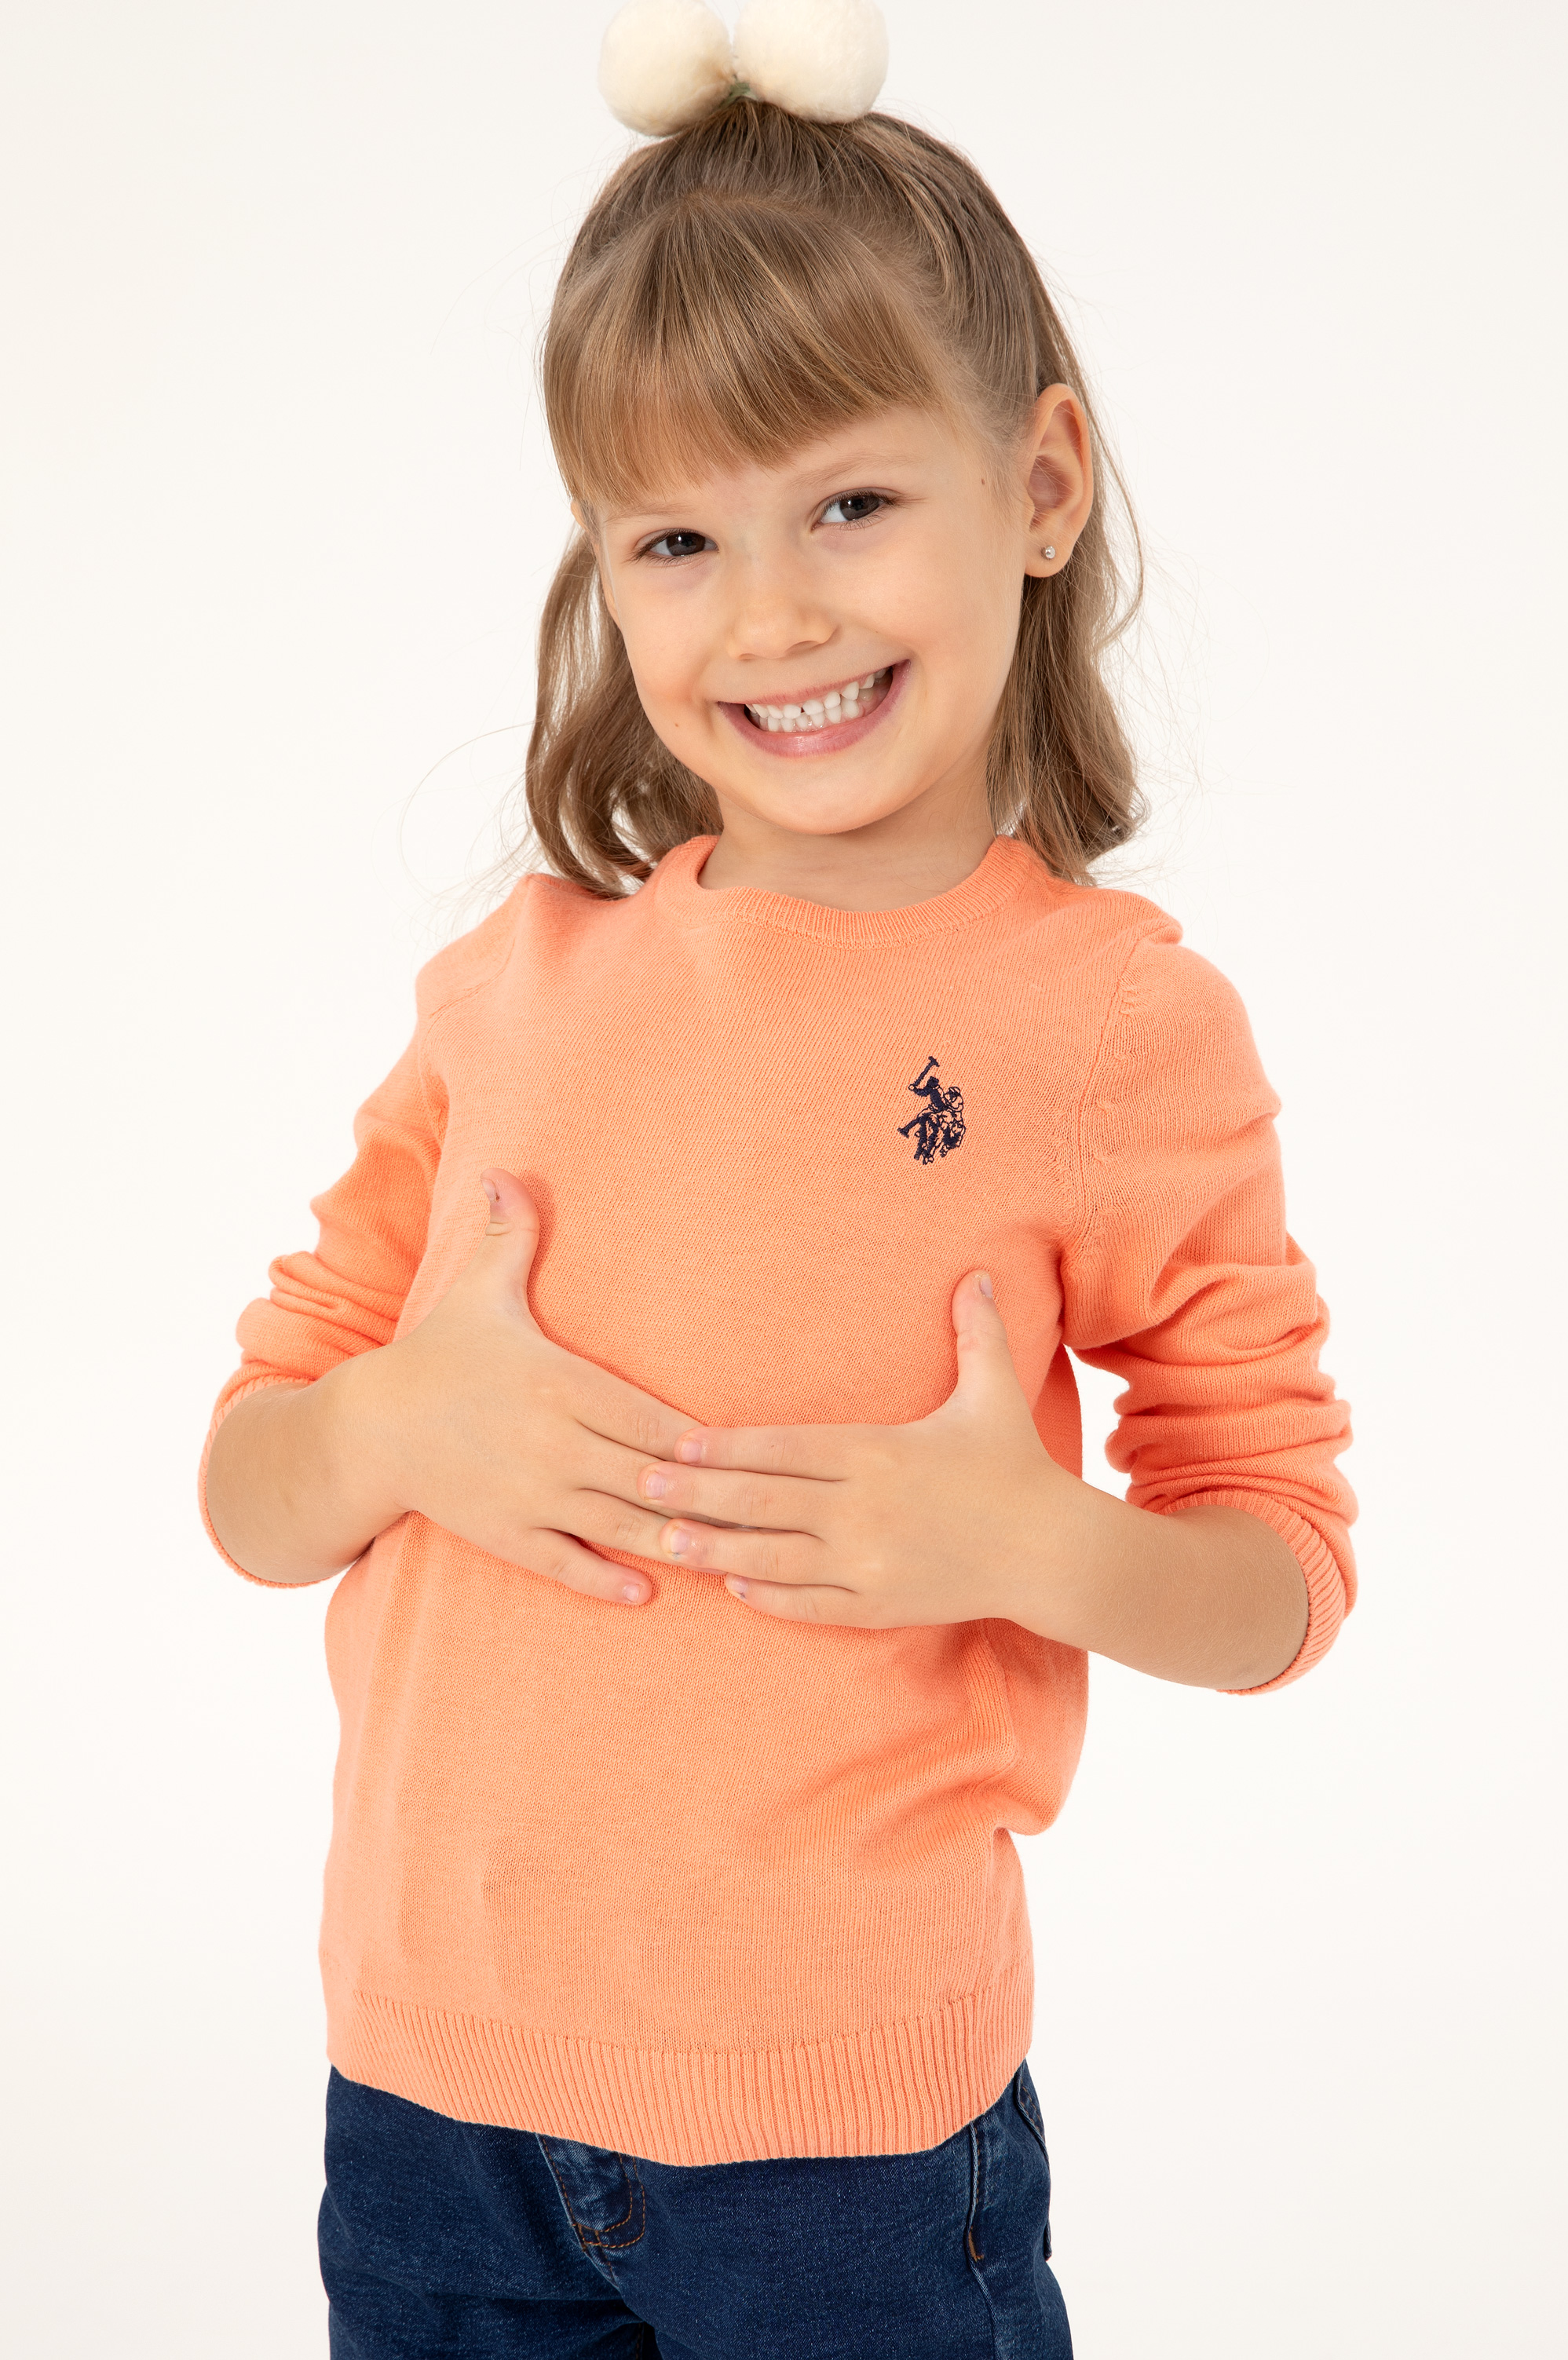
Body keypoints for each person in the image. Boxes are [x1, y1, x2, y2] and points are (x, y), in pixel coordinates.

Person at [200, 6, 1356, 2352]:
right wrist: (395, 1424)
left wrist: (1031, 1546)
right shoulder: (510, 991)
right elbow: (251, 1483)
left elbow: (1284, 1566)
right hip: (425, 2105)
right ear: (603, 573)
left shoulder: (1112, 1027)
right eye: (677, 539)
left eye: (848, 504)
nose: (773, 615)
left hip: (847, 2150)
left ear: (1039, 482)